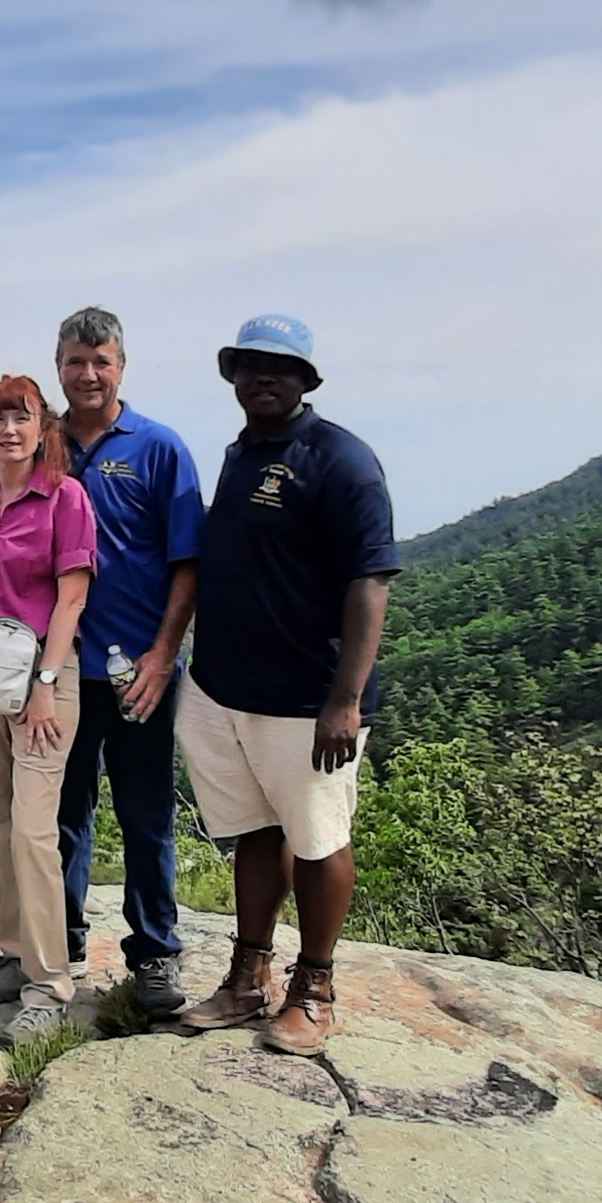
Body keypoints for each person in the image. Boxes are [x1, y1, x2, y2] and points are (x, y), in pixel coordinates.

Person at [177, 315, 399, 1055]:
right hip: (224, 688)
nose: (261, 377)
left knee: (317, 839)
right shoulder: (242, 453)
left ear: (305, 379)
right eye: (248, 365)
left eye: (278, 366)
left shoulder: (341, 460)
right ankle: (247, 980)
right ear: (233, 376)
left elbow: (370, 580)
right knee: (256, 833)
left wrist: (344, 699)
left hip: (306, 698)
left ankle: (316, 988)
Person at [51, 307, 207, 1017]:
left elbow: (188, 562)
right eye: (76, 361)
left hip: (138, 671)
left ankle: (154, 956)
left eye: (101, 361)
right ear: (59, 366)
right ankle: (59, 945)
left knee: (145, 816)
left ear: (121, 366)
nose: (88, 374)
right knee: (60, 816)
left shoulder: (159, 448)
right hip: (56, 672)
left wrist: (163, 654)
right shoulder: (38, 443)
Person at [0, 376, 96, 1046]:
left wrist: (44, 681)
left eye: (21, 418)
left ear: (42, 427)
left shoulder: (64, 497)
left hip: (41, 689)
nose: (10, 429)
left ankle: (49, 984)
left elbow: (71, 598)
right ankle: (12, 954)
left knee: (33, 832)